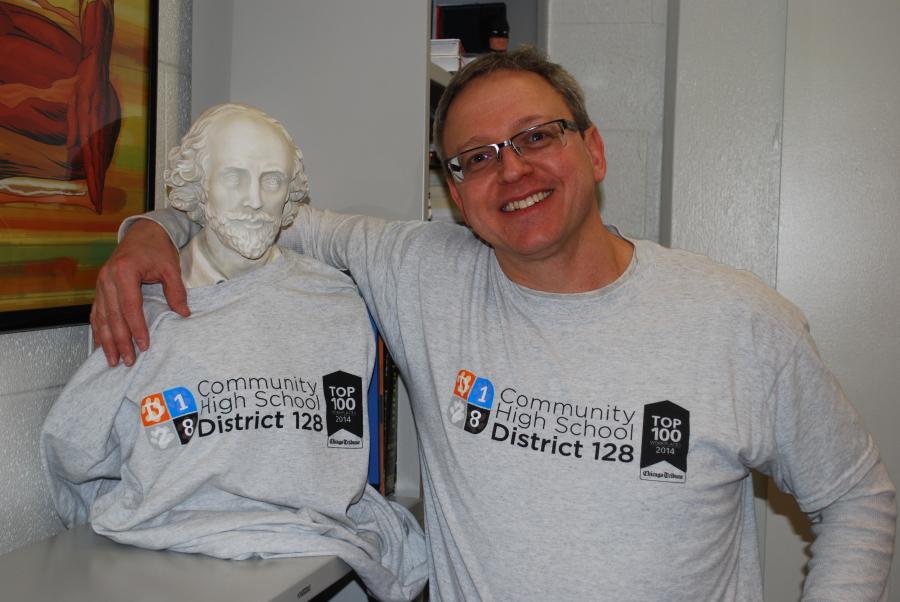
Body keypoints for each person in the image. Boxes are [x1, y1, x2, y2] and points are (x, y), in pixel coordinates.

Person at [91, 49, 896, 600]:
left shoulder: (737, 319)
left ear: (596, 152)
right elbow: (255, 214)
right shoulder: (423, 271)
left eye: (536, 137)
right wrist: (151, 231)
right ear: (452, 191)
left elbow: (857, 496)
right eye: (474, 157)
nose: (510, 170)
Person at [41, 103, 426, 602]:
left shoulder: (334, 304)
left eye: (271, 180)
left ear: (292, 193)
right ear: (195, 188)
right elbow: (74, 453)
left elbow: (341, 437)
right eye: (234, 177)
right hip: (159, 570)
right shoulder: (142, 310)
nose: (253, 200)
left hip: (308, 562)